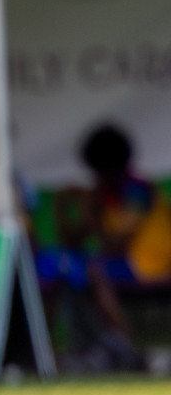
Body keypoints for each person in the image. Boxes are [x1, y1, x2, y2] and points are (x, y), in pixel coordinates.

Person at [39, 123, 169, 371]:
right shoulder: (108, 194)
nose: (96, 178)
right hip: (127, 264)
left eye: (98, 172)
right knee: (62, 268)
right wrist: (61, 206)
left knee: (94, 271)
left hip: (153, 264)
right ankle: (58, 350)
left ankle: (128, 349)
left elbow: (116, 246)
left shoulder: (137, 191)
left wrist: (91, 213)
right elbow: (72, 242)